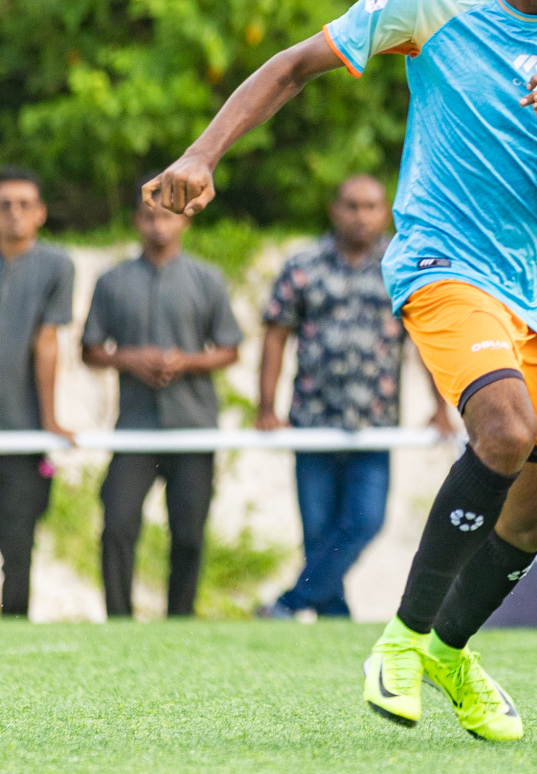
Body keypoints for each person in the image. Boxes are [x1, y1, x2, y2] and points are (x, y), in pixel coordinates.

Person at [148, 0, 537, 742]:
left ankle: (451, 651)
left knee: (532, 519)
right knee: (503, 431)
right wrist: (200, 155)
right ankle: (403, 640)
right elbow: (295, 66)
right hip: (443, 263)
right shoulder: (430, 2)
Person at [255, 175, 452, 620]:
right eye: (351, 206)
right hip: (312, 421)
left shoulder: (401, 266)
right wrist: (265, 406)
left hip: (375, 424)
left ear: (386, 212)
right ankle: (334, 620)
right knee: (319, 530)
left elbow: (425, 340)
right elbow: (275, 335)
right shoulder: (303, 265)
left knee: (365, 521)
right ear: (334, 209)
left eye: (370, 206)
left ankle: (288, 604)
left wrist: (439, 406)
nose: (360, 216)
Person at [82, 189, 243, 618]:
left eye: (167, 218)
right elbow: (90, 349)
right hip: (136, 428)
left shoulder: (207, 279)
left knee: (188, 533)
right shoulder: (112, 281)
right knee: (117, 523)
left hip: (193, 426)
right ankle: (118, 619)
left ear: (184, 222)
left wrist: (184, 362)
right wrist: (131, 359)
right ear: (136, 221)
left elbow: (230, 347)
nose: (158, 226)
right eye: (149, 217)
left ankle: (180, 619)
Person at [0, 167, 75, 619]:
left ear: (41, 213)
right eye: (4, 205)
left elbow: (46, 343)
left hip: (24, 431)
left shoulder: (56, 266)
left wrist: (49, 421)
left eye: (24, 204)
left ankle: (12, 636)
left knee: (19, 542)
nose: (14, 213)